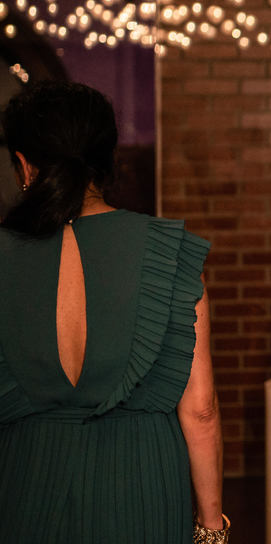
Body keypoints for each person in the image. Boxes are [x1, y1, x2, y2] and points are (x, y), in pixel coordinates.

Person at [0, 81, 226, 544]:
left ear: (23, 165)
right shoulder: (168, 255)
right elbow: (201, 410)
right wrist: (211, 529)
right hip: (141, 484)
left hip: (26, 480)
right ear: (106, 160)